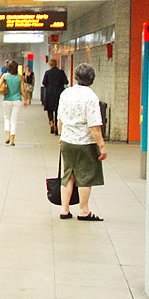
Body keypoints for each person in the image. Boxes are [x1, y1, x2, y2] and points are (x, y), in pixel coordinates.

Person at [57, 63, 107, 221]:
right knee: (85, 176)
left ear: (76, 77)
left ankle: (64, 210)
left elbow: (60, 118)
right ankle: (83, 210)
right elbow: (94, 126)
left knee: (68, 175)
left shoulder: (66, 93)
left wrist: (61, 135)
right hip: (85, 143)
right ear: (92, 79)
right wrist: (102, 147)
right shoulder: (91, 97)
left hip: (67, 140)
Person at [0, 60, 22, 146]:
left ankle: (7, 136)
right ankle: (12, 140)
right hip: (17, 100)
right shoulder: (20, 77)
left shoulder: (5, 76)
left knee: (7, 118)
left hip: (7, 100)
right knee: (14, 120)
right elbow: (23, 90)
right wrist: (26, 100)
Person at [42, 58, 68, 134]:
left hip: (49, 94)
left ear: (50, 64)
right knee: (58, 110)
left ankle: (51, 123)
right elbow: (66, 82)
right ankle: (57, 125)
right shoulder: (61, 72)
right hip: (59, 94)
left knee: (50, 110)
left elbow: (44, 83)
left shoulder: (47, 73)